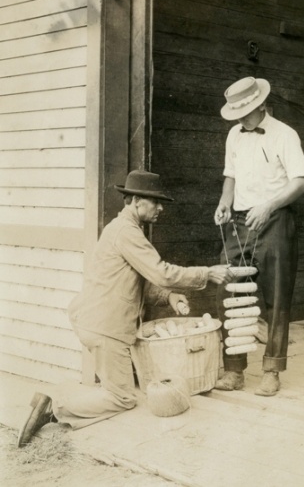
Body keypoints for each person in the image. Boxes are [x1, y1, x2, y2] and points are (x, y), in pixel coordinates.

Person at [17, 170, 233, 447]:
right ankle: (55, 407)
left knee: (116, 390)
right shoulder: (126, 231)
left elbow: (138, 280)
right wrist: (206, 273)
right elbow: (161, 272)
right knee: (122, 398)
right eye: (155, 202)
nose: (160, 208)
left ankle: (54, 405)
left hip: (98, 320)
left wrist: (169, 298)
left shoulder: (124, 230)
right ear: (135, 201)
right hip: (106, 326)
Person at [214, 77, 304, 396]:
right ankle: (233, 370)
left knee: (276, 298)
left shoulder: (285, 134)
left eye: (243, 111)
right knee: (229, 290)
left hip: (275, 220)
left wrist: (269, 206)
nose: (239, 118)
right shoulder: (233, 134)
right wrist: (224, 202)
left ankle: (272, 370)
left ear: (259, 105)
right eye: (236, 113)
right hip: (239, 222)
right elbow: (230, 175)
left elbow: (301, 181)